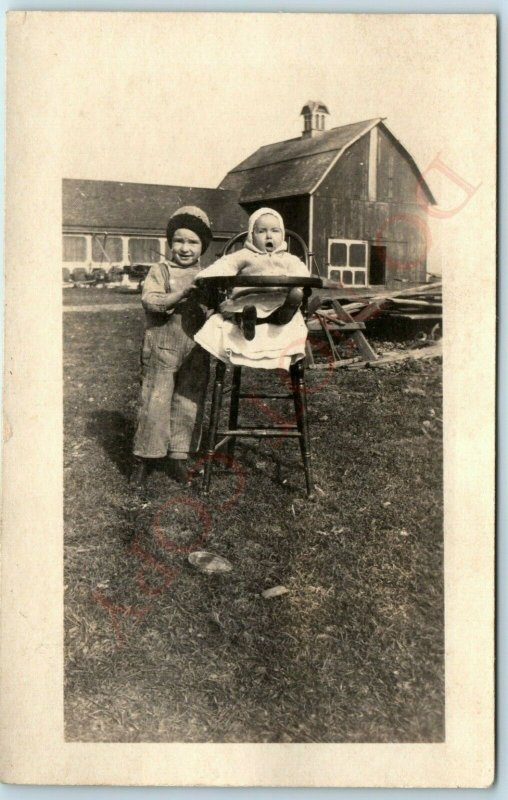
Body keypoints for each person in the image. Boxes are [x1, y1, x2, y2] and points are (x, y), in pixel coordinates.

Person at [130, 206, 213, 487]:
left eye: (193, 242)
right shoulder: (160, 270)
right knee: (156, 402)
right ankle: (145, 458)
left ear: (203, 246)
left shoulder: (209, 276)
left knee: (188, 402)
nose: (185, 248)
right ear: (170, 243)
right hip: (161, 348)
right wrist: (180, 294)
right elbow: (151, 301)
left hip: (196, 350)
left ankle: (179, 457)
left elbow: (217, 307)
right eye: (179, 240)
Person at [194, 208, 310, 371]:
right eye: (262, 231)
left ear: (282, 234)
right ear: (251, 234)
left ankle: (285, 314)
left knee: (288, 302)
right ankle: (246, 323)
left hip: (276, 301)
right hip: (247, 301)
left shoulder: (288, 259)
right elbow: (223, 265)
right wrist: (202, 277)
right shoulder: (243, 255)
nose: (269, 236)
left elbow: (302, 273)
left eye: (275, 231)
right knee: (243, 311)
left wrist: (298, 282)